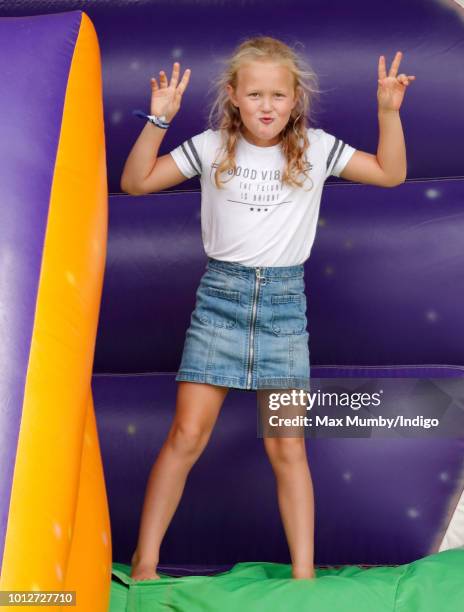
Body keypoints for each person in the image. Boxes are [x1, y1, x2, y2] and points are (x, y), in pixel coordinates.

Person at [121, 36, 415, 581]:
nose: (266, 105)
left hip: (283, 309)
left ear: (295, 97)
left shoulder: (317, 147)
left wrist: (387, 113)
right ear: (233, 95)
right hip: (220, 303)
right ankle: (146, 564)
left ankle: (303, 574)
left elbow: (390, 173)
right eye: (254, 93)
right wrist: (158, 121)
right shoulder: (210, 147)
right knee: (186, 436)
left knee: (288, 447)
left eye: (278, 95)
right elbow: (136, 183)